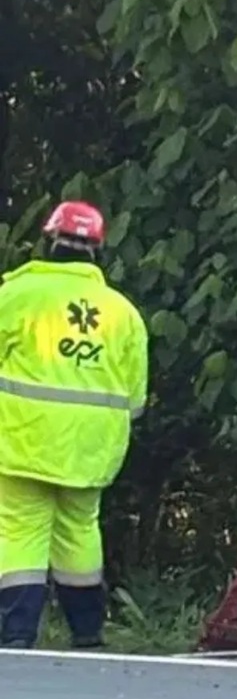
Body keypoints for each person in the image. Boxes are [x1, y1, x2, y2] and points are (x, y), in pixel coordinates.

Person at [0, 200, 149, 649]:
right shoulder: (122, 313)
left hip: (22, 441)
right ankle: (87, 634)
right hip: (91, 450)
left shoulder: (15, 296)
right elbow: (136, 399)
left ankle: (16, 636)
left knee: (19, 531)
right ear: (97, 252)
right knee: (80, 531)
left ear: (47, 242)